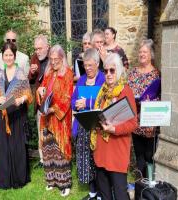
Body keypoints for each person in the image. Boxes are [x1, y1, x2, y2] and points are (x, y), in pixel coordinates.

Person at [91, 53, 138, 200]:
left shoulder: (125, 91)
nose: (108, 74)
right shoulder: (102, 91)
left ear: (118, 71)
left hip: (117, 152)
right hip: (101, 150)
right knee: (104, 194)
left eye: (112, 70)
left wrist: (115, 129)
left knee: (120, 194)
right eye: (105, 71)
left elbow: (132, 124)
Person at [0, 42, 33, 189]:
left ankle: (19, 178)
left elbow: (28, 94)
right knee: (5, 147)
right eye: (6, 55)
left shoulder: (20, 73)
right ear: (2, 57)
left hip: (17, 115)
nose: (8, 57)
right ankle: (5, 178)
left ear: (14, 56)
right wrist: (0, 99)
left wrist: (20, 100)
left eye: (11, 55)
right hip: (4, 116)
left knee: (17, 147)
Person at [37, 45, 73, 197]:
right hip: (46, 117)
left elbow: (67, 97)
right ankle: (51, 181)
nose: (53, 62)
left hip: (59, 119)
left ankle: (64, 184)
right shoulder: (48, 72)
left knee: (59, 151)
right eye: (51, 60)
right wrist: (39, 91)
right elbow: (42, 88)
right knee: (48, 149)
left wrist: (54, 109)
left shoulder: (68, 73)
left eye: (56, 59)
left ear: (62, 58)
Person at [71, 48, 105, 200]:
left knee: (98, 159)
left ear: (97, 64)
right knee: (86, 160)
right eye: (85, 65)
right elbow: (73, 100)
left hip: (98, 127)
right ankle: (92, 191)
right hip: (83, 126)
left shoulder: (104, 79)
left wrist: (88, 103)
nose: (88, 68)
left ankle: (101, 192)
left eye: (91, 65)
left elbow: (105, 103)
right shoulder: (81, 80)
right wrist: (76, 104)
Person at [127, 39, 161, 178]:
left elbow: (160, 97)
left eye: (144, 52)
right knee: (139, 154)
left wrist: (150, 101)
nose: (141, 54)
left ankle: (150, 182)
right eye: (140, 51)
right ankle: (140, 183)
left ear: (151, 54)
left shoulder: (156, 74)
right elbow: (127, 91)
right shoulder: (133, 72)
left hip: (149, 122)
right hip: (135, 120)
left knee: (149, 154)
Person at [28, 34, 50, 168]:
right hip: (39, 101)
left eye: (40, 48)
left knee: (52, 132)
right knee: (40, 130)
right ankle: (42, 159)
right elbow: (30, 80)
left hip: (52, 101)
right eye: (36, 49)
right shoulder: (34, 58)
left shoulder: (54, 56)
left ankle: (53, 158)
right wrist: (31, 72)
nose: (38, 51)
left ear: (47, 47)